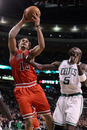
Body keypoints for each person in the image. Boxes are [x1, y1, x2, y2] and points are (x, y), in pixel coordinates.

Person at [8, 9, 54, 130]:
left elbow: (42, 46)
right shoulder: (13, 53)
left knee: (49, 117)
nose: (24, 41)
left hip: (34, 87)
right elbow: (11, 35)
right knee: (29, 121)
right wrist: (23, 20)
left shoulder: (31, 53)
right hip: (21, 89)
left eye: (26, 41)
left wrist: (38, 26)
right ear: (18, 44)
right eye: (22, 40)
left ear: (28, 46)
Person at [28, 47, 87, 130]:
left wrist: (76, 65)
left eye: (76, 49)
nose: (74, 49)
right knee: (57, 127)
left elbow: (84, 81)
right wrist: (30, 62)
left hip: (75, 98)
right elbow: (41, 67)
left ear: (79, 55)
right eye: (73, 48)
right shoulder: (60, 64)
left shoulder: (83, 66)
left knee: (69, 127)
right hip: (62, 98)